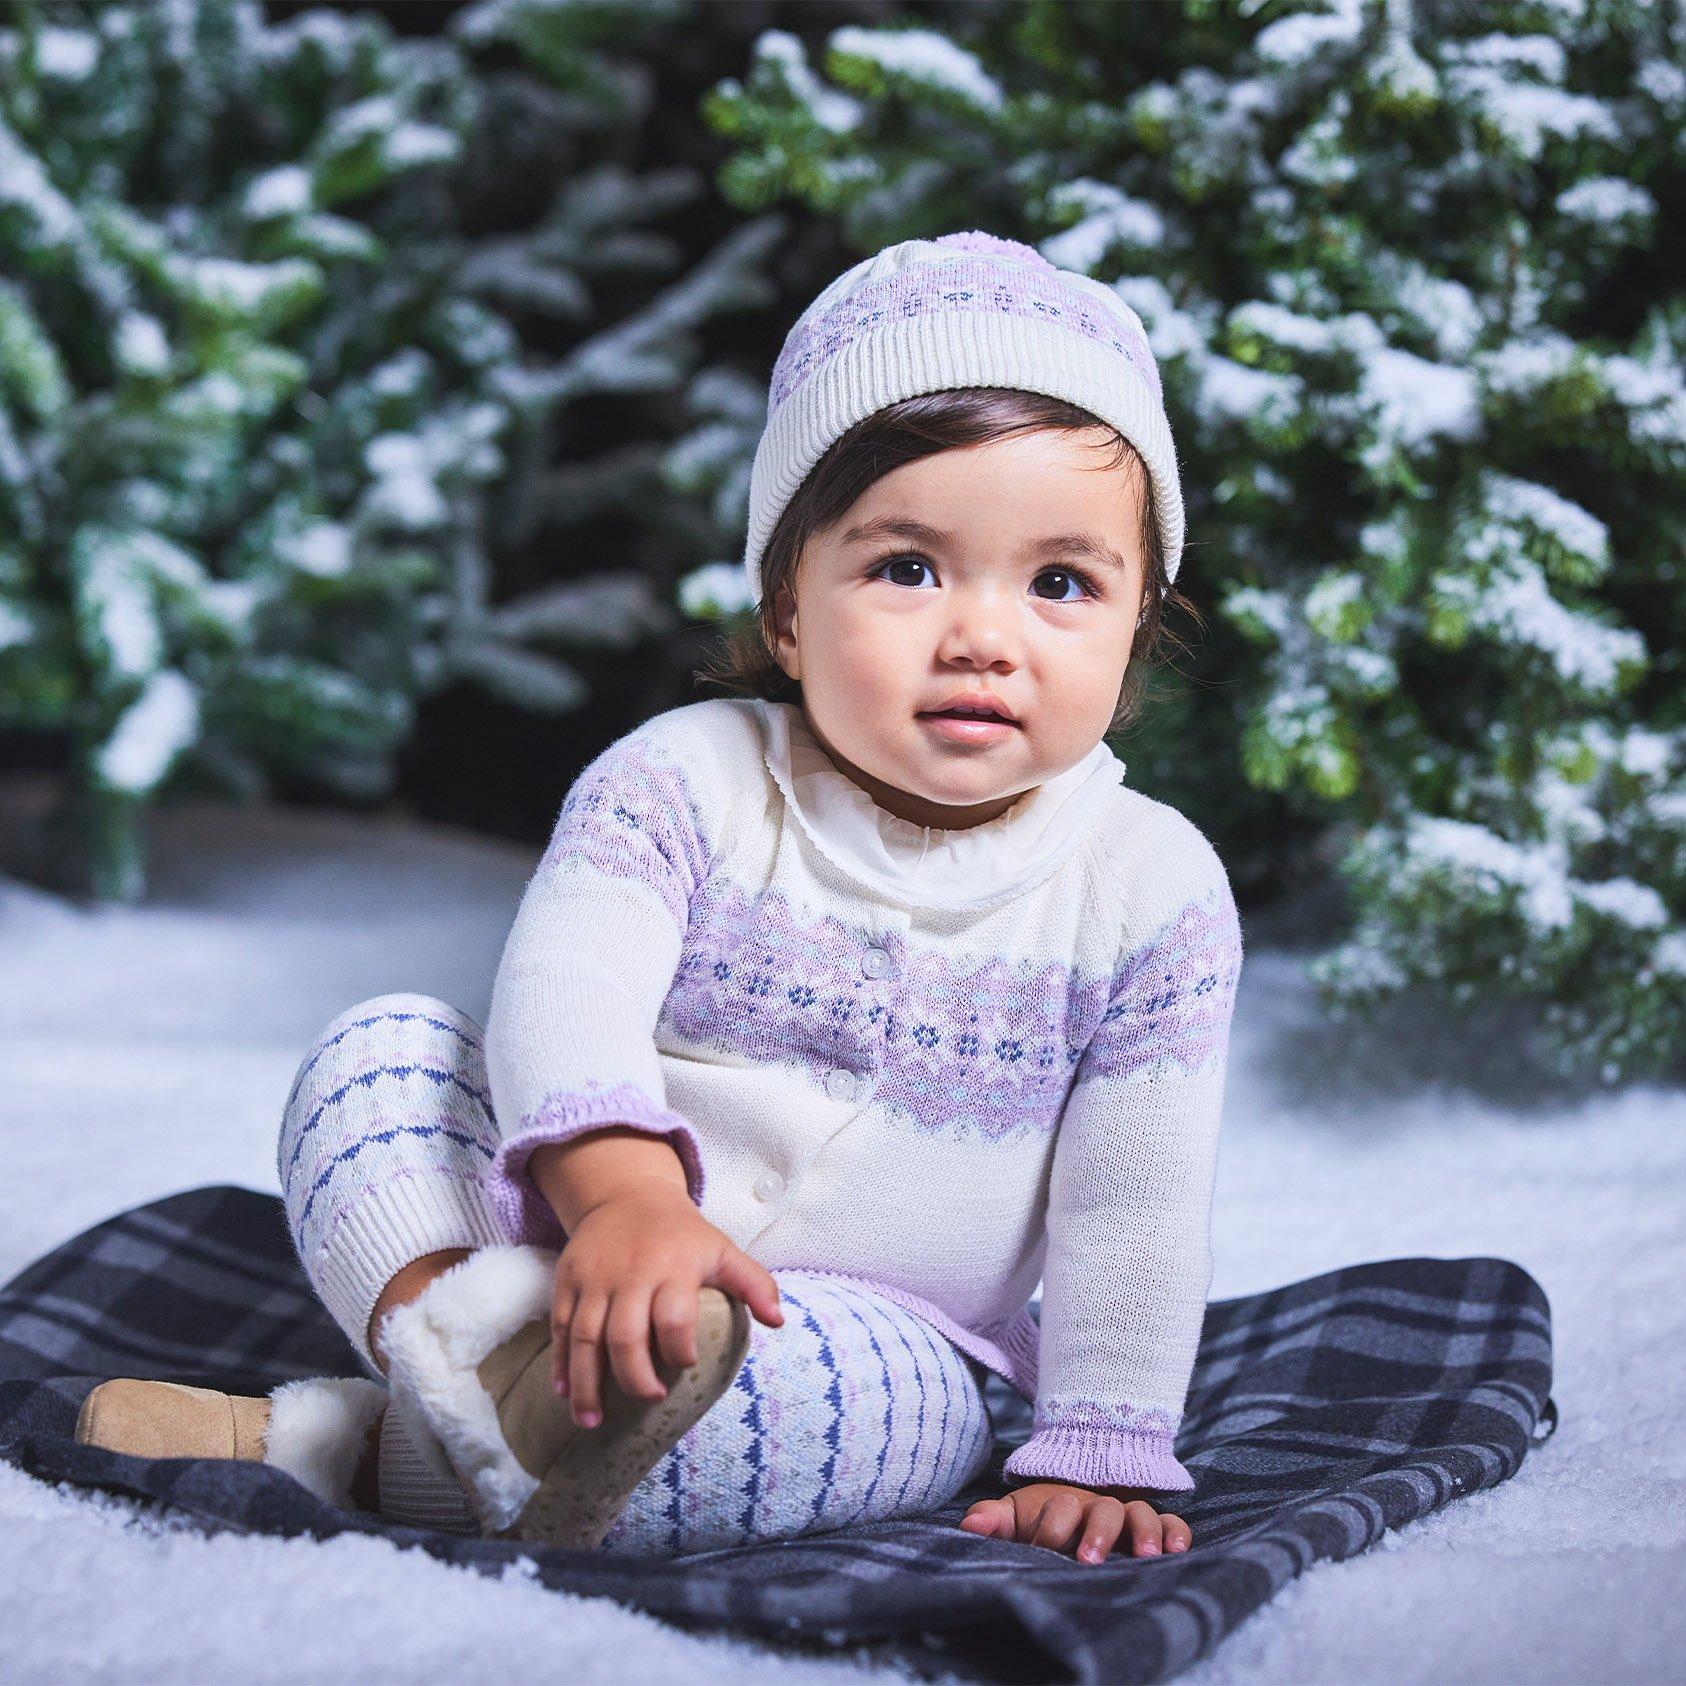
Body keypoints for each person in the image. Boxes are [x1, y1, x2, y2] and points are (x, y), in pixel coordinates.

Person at [75, 230, 1243, 1567]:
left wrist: (1095, 1446)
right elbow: (565, 989)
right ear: (789, 608)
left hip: (874, 1329)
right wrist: (621, 1196)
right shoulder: (682, 779)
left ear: (1136, 624)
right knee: (380, 1056)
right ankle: (490, 1376)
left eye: (1058, 583)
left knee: (822, 1422)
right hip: (559, 1229)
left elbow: (1131, 1200)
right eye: (905, 566)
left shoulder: (1151, 890)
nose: (981, 633)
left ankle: (348, 1445)